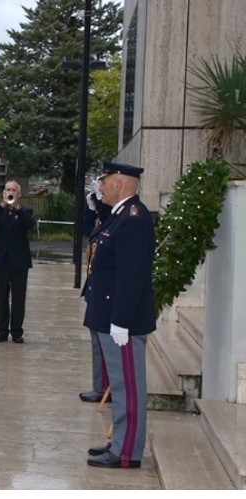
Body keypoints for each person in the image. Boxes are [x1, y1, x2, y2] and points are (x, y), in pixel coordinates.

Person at [83, 159, 156, 469]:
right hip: (109, 314)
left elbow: (131, 277)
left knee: (129, 387)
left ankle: (127, 453)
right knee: (122, 386)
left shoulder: (134, 220)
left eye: (104, 182)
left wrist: (120, 321)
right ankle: (119, 442)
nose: (101, 187)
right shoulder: (119, 216)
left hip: (121, 319)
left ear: (119, 184)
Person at [0, 179, 34, 343]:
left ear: (19, 194)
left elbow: (30, 224)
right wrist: (2, 206)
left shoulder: (25, 210)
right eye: (8, 189)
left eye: (14, 190)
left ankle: (17, 331)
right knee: (1, 297)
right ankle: (1, 330)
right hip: (0, 260)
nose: (11, 192)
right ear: (4, 192)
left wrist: (18, 209)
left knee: (19, 297)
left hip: (19, 261)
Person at [79, 180, 112, 402]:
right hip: (96, 286)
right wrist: (93, 208)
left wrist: (101, 207)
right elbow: (86, 231)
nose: (100, 193)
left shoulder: (115, 214)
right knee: (96, 339)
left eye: (102, 189)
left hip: (105, 290)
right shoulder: (104, 214)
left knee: (101, 341)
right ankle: (99, 386)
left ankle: (102, 388)